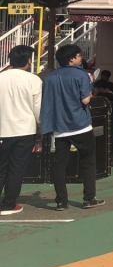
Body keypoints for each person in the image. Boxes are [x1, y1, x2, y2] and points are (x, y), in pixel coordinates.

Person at [41, 44, 103, 210]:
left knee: (59, 164)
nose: (80, 58)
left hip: (59, 126)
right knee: (88, 161)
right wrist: (91, 94)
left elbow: (47, 102)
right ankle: (89, 198)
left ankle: (61, 201)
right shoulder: (81, 74)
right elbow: (85, 100)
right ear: (71, 58)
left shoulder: (49, 78)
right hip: (80, 125)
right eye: (78, 55)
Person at [0, 45, 41, 216]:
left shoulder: (1, 77)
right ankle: (9, 204)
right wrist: (42, 128)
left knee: (1, 167)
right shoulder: (33, 80)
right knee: (17, 168)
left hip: (2, 129)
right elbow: (38, 108)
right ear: (28, 60)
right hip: (24, 130)